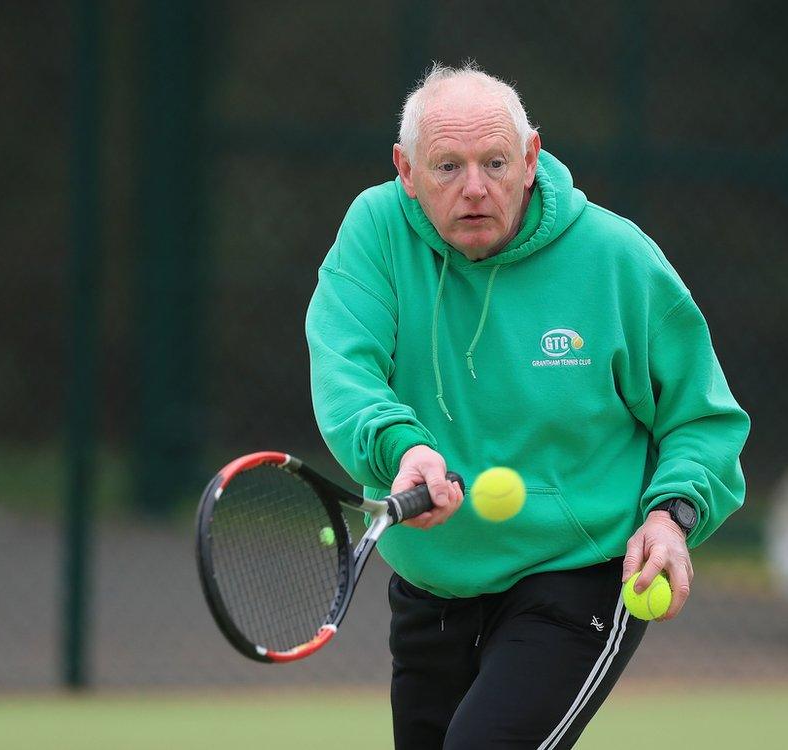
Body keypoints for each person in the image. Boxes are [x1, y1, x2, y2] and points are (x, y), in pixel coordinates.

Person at [306, 62, 749, 749]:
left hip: (578, 578)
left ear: (532, 158)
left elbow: (702, 417)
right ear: (406, 169)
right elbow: (346, 374)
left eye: (495, 162)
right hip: (434, 585)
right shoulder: (374, 232)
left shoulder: (616, 259)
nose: (475, 188)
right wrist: (406, 449)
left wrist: (672, 515)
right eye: (447, 166)